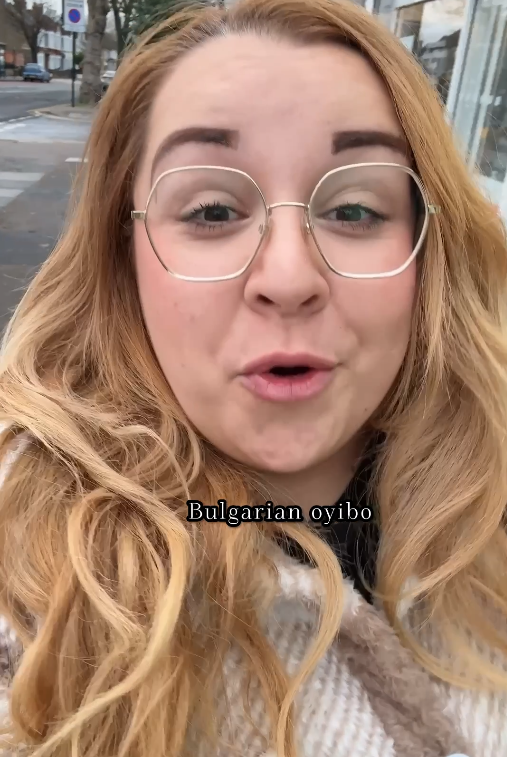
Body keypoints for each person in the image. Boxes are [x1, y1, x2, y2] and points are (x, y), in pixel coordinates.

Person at [0, 0, 504, 755]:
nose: (289, 277)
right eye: (210, 210)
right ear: (122, 257)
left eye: (355, 209)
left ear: (431, 251)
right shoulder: (30, 579)